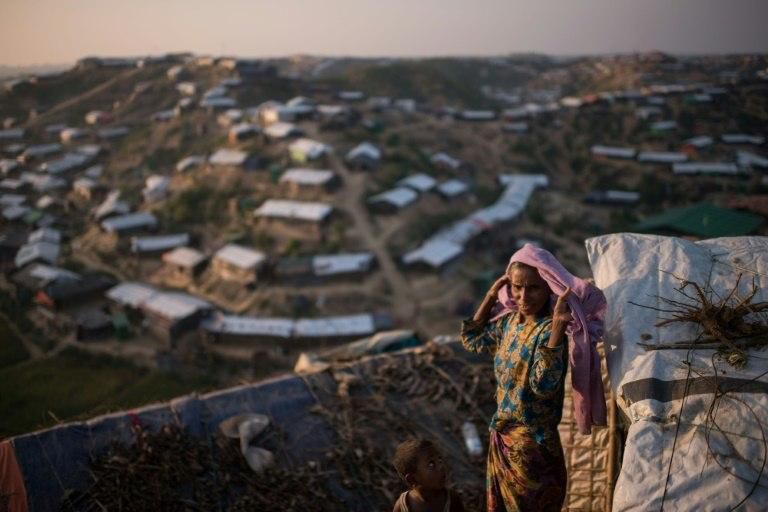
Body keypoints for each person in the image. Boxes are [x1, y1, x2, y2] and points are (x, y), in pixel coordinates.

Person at [460, 244, 607, 512]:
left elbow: (543, 385)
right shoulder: (508, 324)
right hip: (503, 442)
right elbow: (472, 339)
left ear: (548, 287)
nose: (523, 296)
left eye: (533, 288)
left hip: (533, 451)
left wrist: (559, 325)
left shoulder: (548, 332)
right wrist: (492, 295)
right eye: (516, 287)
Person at [392, 438, 465, 512]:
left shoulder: (451, 499)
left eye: (439, 460)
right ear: (412, 479)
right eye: (431, 464)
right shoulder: (403, 505)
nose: (441, 466)